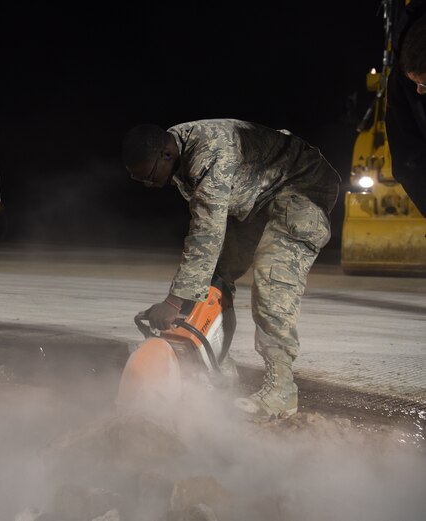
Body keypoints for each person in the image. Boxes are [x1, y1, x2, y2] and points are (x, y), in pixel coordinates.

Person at [121, 119, 340, 419]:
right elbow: (209, 239)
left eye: (147, 176)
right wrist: (185, 295)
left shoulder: (209, 150)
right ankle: (215, 369)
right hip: (259, 196)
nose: (147, 184)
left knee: (272, 277)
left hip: (302, 187)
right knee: (215, 278)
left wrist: (174, 302)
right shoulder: (177, 153)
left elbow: (206, 233)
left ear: (166, 156)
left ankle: (282, 392)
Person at [386, 0, 426, 215]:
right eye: (416, 83)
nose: (420, 91)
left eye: (425, 84)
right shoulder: (403, 85)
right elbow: (408, 159)